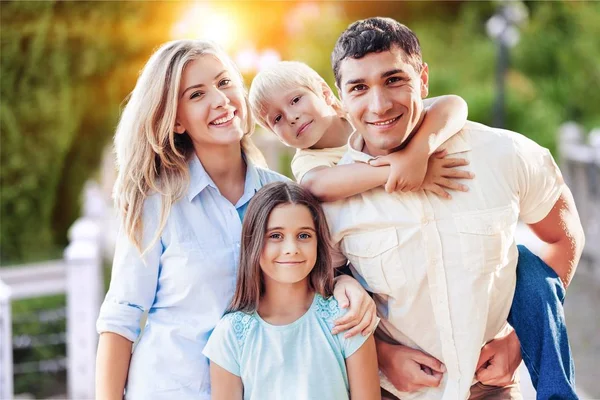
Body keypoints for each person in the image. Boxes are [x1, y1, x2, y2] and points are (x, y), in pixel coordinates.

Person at [94, 39, 377, 400]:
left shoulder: (284, 195)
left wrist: (344, 284)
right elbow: (121, 319)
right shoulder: (158, 204)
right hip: (174, 389)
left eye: (225, 82)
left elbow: (317, 278)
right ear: (176, 120)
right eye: (196, 95)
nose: (220, 100)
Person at [324, 17, 584, 400]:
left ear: (423, 79)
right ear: (341, 98)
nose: (378, 104)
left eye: (394, 80)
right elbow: (311, 297)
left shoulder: (504, 154)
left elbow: (564, 236)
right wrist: (379, 356)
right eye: (359, 87)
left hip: (489, 391)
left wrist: (517, 342)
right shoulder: (330, 201)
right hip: (390, 392)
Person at [203, 181, 381, 400]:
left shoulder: (346, 318)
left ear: (318, 242)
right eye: (275, 236)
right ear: (255, 242)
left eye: (304, 235)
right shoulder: (231, 334)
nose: (291, 249)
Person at [249, 61, 473, 203]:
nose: (291, 117)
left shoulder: (364, 112)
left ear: (325, 94)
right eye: (277, 119)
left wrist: (417, 154)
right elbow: (317, 185)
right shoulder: (308, 161)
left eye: (296, 100)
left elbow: (452, 104)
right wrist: (401, 169)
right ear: (274, 133)